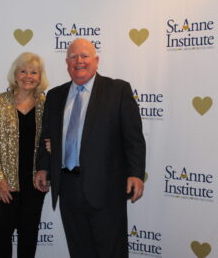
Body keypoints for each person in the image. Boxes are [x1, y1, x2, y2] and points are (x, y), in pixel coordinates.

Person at [34, 38, 146, 258]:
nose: (79, 61)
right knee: (80, 252)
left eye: (84, 56)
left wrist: (136, 173)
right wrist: (43, 167)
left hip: (107, 189)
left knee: (111, 252)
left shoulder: (118, 90)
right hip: (68, 188)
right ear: (67, 63)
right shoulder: (55, 96)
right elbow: (46, 136)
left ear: (96, 61)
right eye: (73, 57)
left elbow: (133, 137)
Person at [0, 52, 49, 258]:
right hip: (7, 184)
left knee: (29, 234)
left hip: (35, 183)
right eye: (23, 71)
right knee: (1, 234)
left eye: (34, 72)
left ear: (40, 77)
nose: (28, 76)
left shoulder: (46, 104)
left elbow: (55, 138)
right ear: (15, 74)